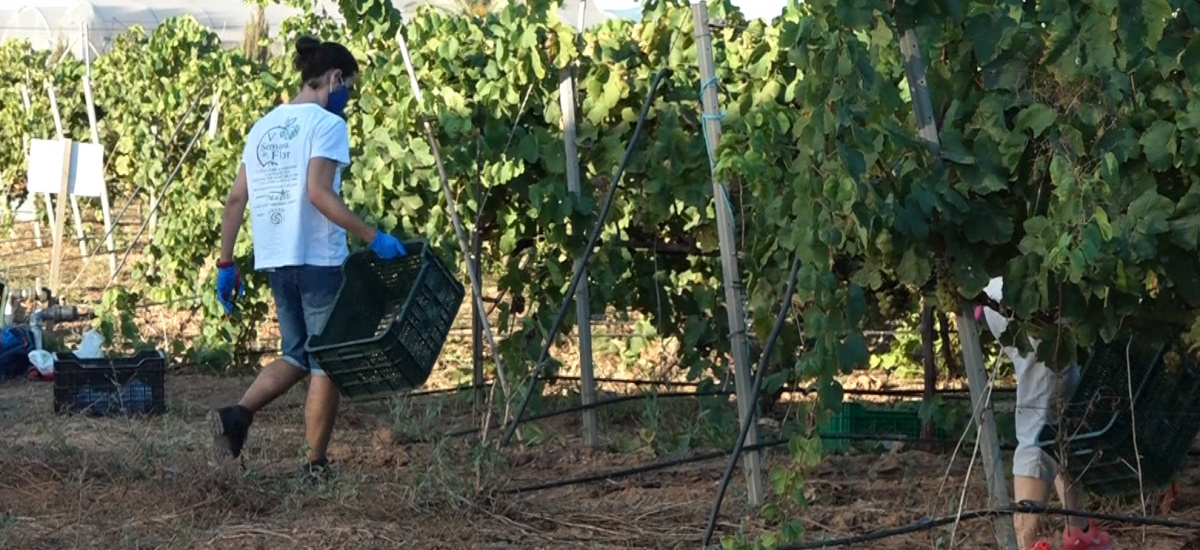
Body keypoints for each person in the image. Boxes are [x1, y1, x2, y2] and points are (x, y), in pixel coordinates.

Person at [210, 36, 408, 482]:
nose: (348, 99)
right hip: (318, 260)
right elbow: (318, 194)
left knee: (297, 354)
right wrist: (372, 236)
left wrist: (226, 264)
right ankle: (314, 465)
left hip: (278, 261)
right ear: (335, 79)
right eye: (349, 88)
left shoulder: (263, 126)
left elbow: (236, 199)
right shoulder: (326, 125)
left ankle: (237, 415)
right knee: (328, 361)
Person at [975, 277, 1112, 550]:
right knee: (1040, 423)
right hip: (1032, 295)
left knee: (1062, 414)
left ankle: (1079, 529)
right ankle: (1023, 543)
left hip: (1013, 294)